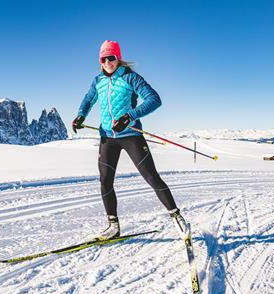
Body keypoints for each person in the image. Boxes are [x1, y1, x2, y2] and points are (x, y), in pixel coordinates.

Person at [72, 40, 189, 240]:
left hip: (131, 136)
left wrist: (129, 116)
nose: (108, 62)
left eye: (111, 57)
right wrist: (81, 115)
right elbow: (88, 99)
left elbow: (154, 99)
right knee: (105, 181)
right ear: (99, 61)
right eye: (104, 58)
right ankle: (113, 225)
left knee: (151, 177)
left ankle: (177, 217)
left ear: (118, 58)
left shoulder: (130, 77)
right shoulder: (98, 80)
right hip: (107, 137)